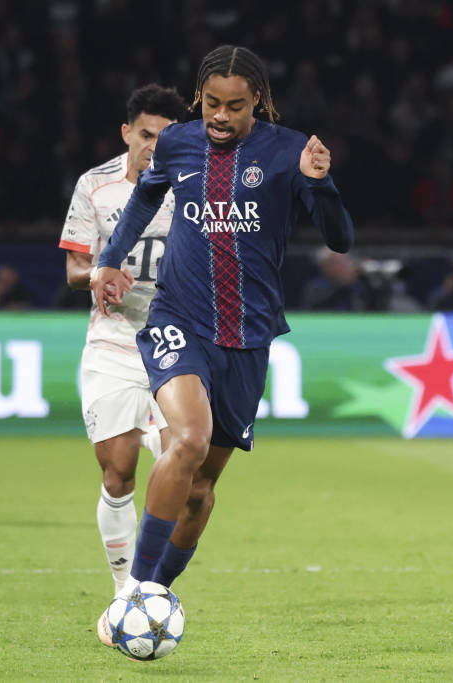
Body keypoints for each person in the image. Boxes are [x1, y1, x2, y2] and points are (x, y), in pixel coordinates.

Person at [90, 45, 354, 639]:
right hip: (180, 319)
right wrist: (109, 259)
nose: (221, 116)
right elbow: (145, 197)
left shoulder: (288, 152)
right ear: (199, 98)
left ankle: (157, 592)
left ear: (258, 100)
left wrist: (323, 184)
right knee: (187, 439)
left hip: (248, 337)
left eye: (235, 106)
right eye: (212, 103)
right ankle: (135, 593)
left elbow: (339, 240)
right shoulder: (177, 143)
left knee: (201, 494)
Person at [58, 84, 188, 610]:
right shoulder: (95, 186)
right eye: (146, 135)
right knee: (118, 470)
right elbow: (73, 268)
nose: (154, 147)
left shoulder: (192, 187)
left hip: (175, 343)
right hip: (113, 341)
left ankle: (151, 583)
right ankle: (124, 593)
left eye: (165, 138)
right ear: (126, 133)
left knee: (184, 467)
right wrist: (98, 274)